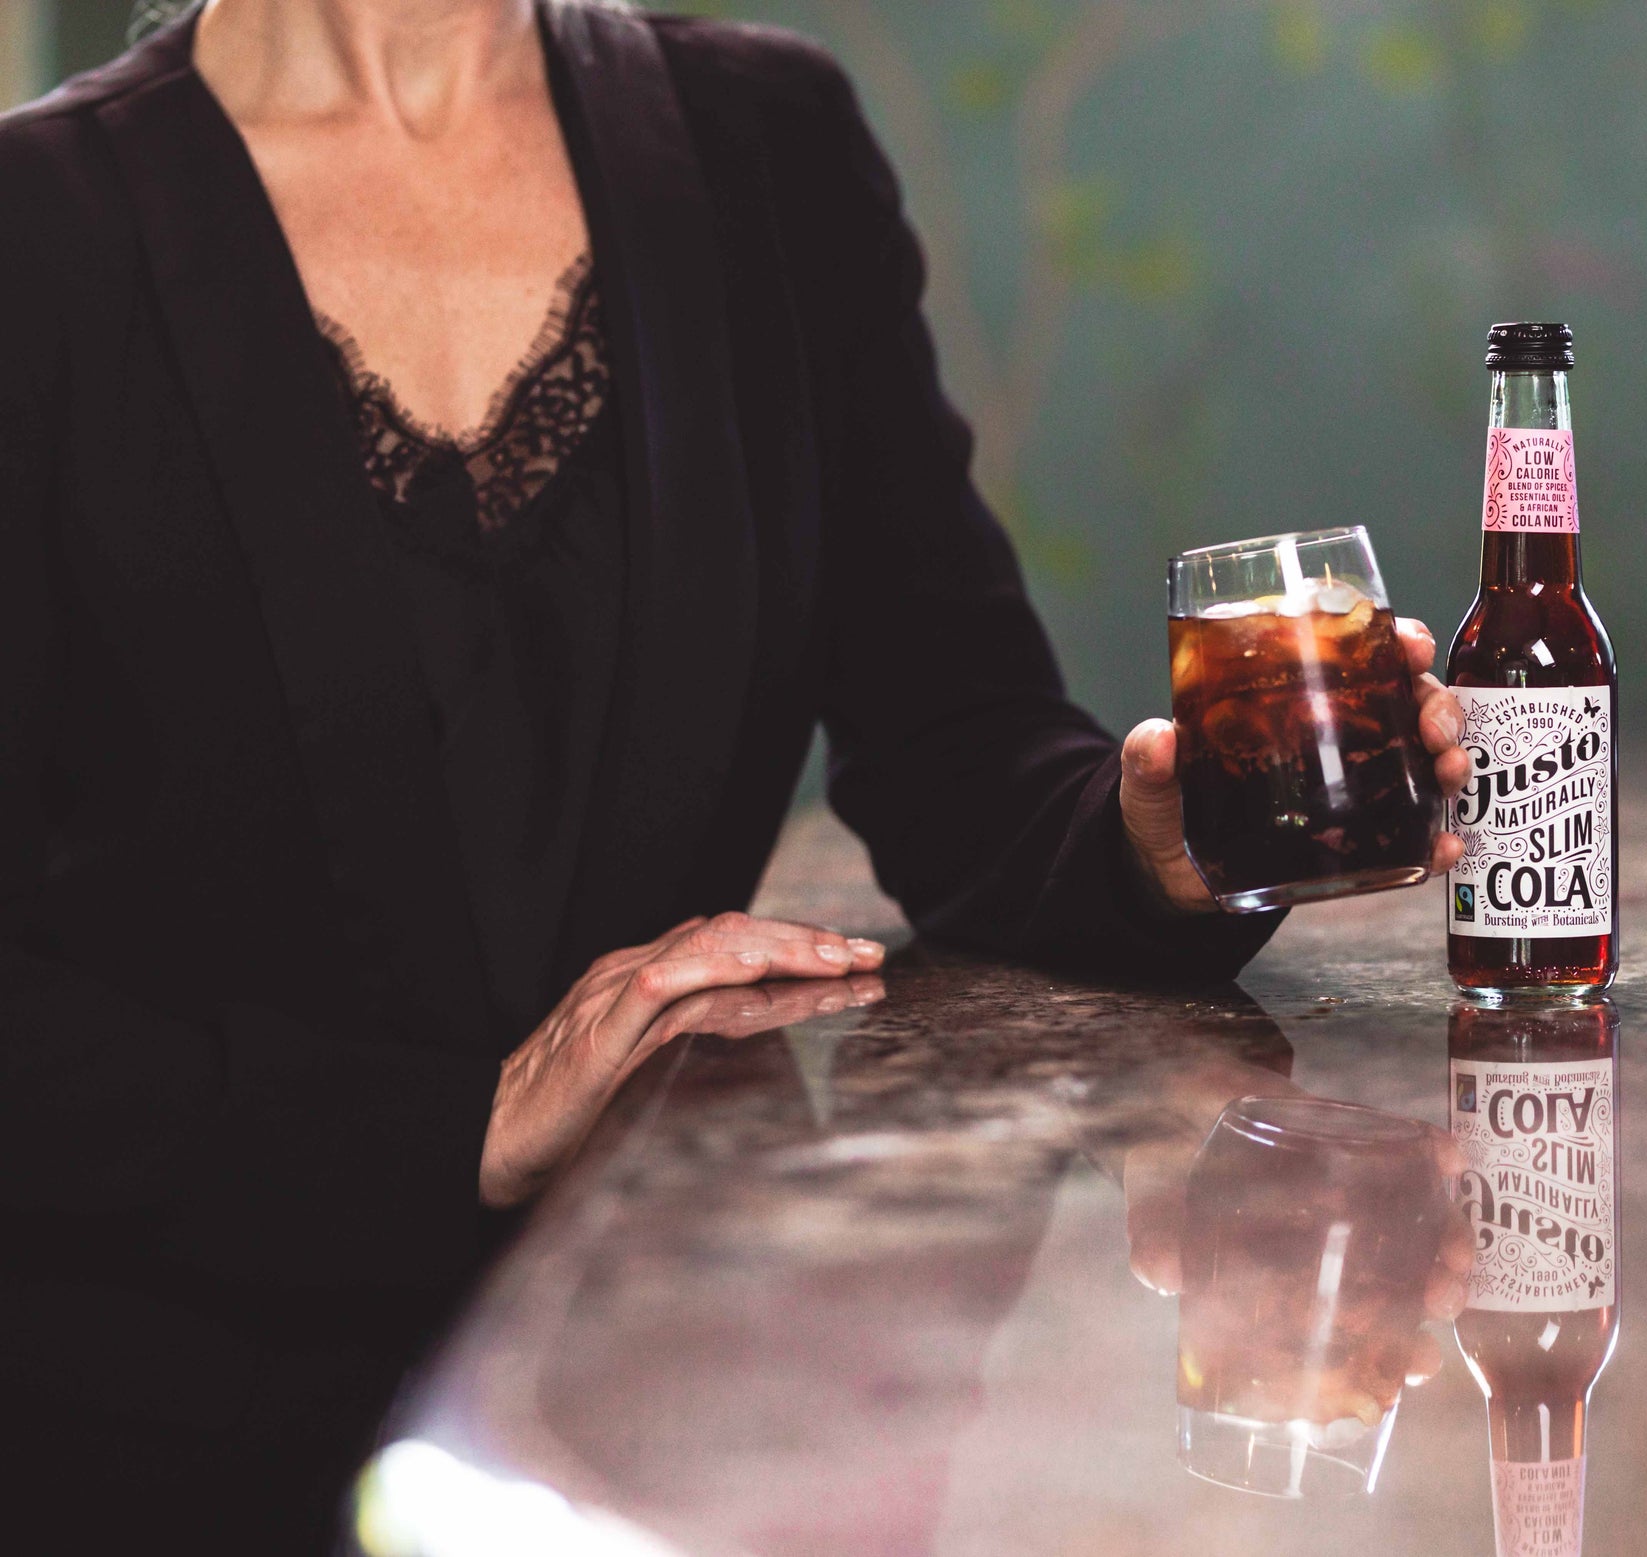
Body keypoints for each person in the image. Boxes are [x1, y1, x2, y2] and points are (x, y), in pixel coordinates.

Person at [0, 0, 1471, 1547]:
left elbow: (953, 735)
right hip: (173, 1433)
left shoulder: (766, 143)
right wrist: (456, 1128)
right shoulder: (37, 232)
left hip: (686, 1410)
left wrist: (1147, 839)